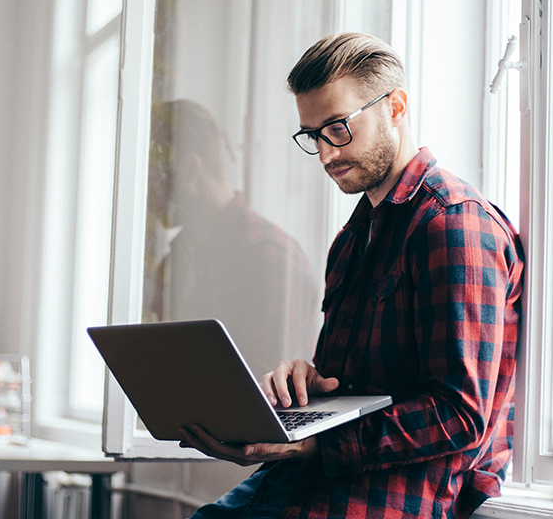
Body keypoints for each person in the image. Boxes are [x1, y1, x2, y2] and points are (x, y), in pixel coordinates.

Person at [179, 32, 525, 519]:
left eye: (339, 127)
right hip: (299, 486)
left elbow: (460, 414)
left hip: (377, 502)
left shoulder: (455, 225)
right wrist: (305, 385)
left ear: (395, 107)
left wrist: (315, 444)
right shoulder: (351, 238)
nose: (326, 154)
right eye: (313, 135)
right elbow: (355, 387)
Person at [143, 99, 320, 376]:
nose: (146, 198)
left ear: (189, 170)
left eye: (151, 180)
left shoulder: (270, 257)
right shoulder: (181, 254)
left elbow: (270, 400)